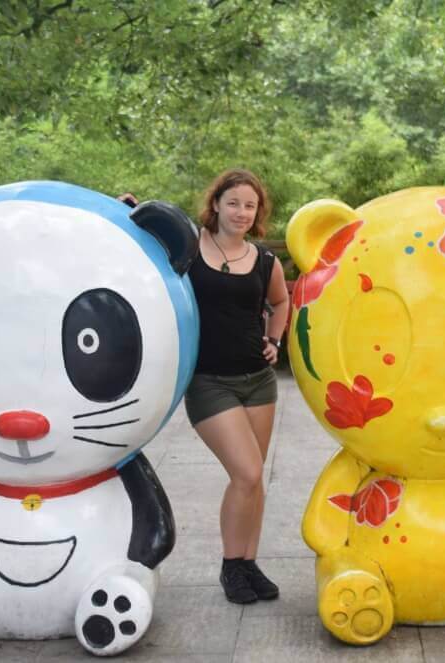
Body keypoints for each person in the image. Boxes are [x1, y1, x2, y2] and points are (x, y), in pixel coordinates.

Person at [132, 169, 289, 604]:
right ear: (216, 203)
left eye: (250, 205)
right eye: (234, 202)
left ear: (258, 213)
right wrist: (126, 210)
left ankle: (249, 564)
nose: (241, 212)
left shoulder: (264, 260)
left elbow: (281, 301)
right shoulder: (191, 247)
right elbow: (143, 244)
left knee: (254, 483)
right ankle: (230, 566)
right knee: (247, 472)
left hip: (258, 381)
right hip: (208, 383)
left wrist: (275, 339)